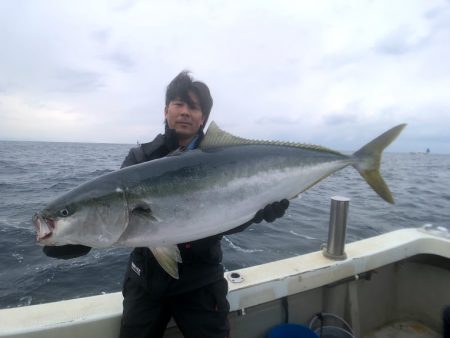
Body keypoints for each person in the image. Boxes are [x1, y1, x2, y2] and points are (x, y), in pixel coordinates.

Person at [44, 71, 289, 338]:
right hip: (145, 283)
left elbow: (221, 220)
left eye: (193, 107)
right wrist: (75, 238)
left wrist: (255, 214)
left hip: (202, 282)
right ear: (166, 110)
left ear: (203, 118)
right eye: (178, 104)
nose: (185, 112)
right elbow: (112, 214)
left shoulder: (223, 160)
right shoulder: (140, 159)